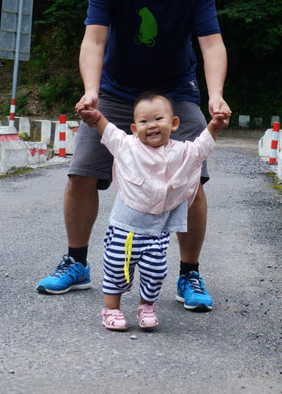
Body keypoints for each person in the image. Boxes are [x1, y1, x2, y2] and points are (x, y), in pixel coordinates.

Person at [37, 0, 231, 312]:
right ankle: (76, 262)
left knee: (192, 180)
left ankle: (189, 273)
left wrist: (214, 95)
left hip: (175, 91)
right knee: (81, 173)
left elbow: (211, 44)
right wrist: (91, 90)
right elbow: (94, 39)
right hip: (118, 90)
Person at [77, 92, 230, 331]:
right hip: (124, 229)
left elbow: (201, 149)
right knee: (116, 268)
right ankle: (112, 309)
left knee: (155, 271)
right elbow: (109, 132)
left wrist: (213, 126)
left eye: (159, 118)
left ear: (174, 123)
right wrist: (96, 117)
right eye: (144, 121)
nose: (152, 126)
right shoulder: (127, 146)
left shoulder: (182, 152)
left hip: (158, 232)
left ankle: (146, 306)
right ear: (134, 128)